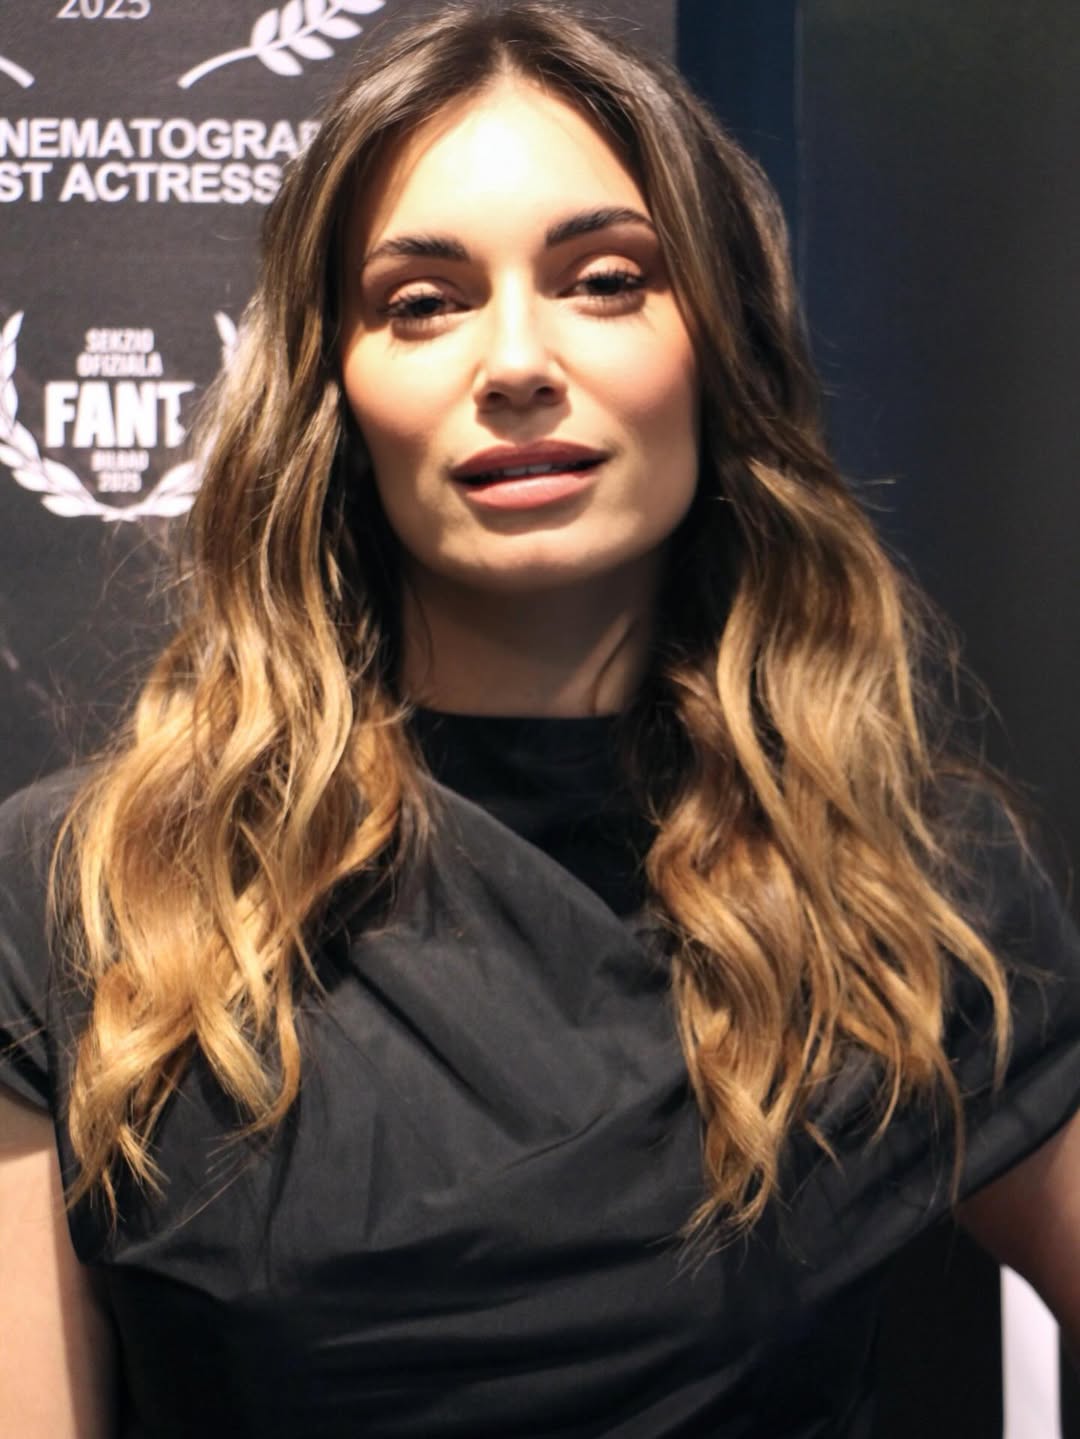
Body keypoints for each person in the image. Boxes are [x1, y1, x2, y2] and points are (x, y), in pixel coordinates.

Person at [2, 4, 1079, 1435]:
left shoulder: (903, 884)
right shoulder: (89, 890)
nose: (515, 362)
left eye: (606, 280)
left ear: (719, 346)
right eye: (422, 301)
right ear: (332, 387)